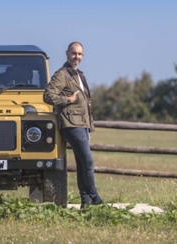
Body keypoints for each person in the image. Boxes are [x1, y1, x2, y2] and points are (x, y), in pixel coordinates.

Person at [43, 42, 103, 208]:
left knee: (82, 163)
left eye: (79, 54)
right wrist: (66, 100)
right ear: (67, 53)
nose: (76, 57)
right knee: (88, 162)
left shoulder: (78, 75)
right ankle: (95, 197)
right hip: (71, 124)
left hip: (81, 125)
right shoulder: (62, 74)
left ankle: (86, 201)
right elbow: (48, 95)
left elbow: (86, 104)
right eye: (74, 53)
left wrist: (88, 127)